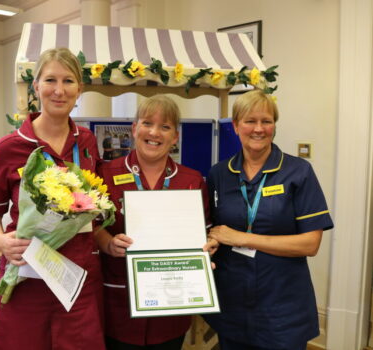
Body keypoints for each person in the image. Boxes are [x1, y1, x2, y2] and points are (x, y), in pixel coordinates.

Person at [0, 48, 105, 349]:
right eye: (50, 80)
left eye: (68, 81)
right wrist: (0, 240)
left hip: (76, 278)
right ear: (36, 87)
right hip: (25, 276)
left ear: (79, 89)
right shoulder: (7, 148)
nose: (59, 90)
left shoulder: (86, 142)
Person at [204, 90, 334, 350]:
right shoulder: (220, 173)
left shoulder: (298, 172)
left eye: (267, 121)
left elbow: (310, 244)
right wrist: (211, 241)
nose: (259, 129)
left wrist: (244, 238)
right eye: (250, 121)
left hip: (281, 302)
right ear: (236, 126)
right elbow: (216, 228)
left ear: (274, 125)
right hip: (232, 298)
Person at [95, 95, 211, 350]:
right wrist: (108, 244)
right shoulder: (105, 174)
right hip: (119, 302)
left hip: (171, 306)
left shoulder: (192, 181)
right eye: (147, 123)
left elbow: (204, 235)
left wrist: (205, 252)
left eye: (165, 127)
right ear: (135, 129)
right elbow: (91, 226)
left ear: (175, 136)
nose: (155, 133)